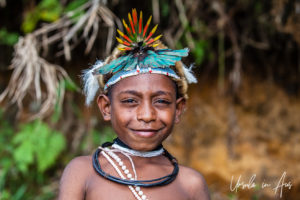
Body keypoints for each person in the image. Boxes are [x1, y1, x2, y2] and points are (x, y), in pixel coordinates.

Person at [58, 9, 210, 200]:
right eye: (130, 101)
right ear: (106, 107)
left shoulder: (190, 184)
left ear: (178, 109)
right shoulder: (82, 173)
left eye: (161, 101)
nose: (147, 115)